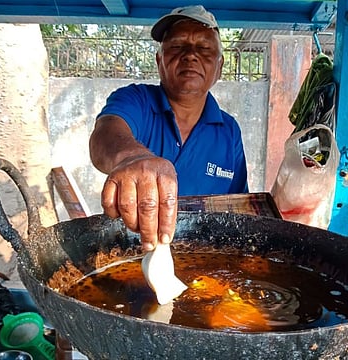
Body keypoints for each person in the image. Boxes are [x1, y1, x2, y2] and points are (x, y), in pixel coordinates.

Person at [89, 5, 248, 251]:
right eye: (176, 46)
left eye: (204, 48)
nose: (190, 55)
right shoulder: (135, 100)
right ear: (159, 60)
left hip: (207, 260)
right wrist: (132, 158)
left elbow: (239, 208)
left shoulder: (229, 131)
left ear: (220, 67)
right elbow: (106, 134)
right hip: (132, 251)